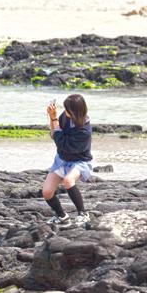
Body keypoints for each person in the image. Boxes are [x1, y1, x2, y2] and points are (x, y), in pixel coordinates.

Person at [43, 94, 92, 227]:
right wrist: (52, 118)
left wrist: (54, 119)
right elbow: (54, 134)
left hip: (79, 161)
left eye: (67, 109)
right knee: (47, 192)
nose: (65, 111)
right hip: (61, 160)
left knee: (68, 180)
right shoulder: (65, 116)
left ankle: (83, 213)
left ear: (76, 111)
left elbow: (63, 144)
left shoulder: (84, 131)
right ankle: (62, 216)